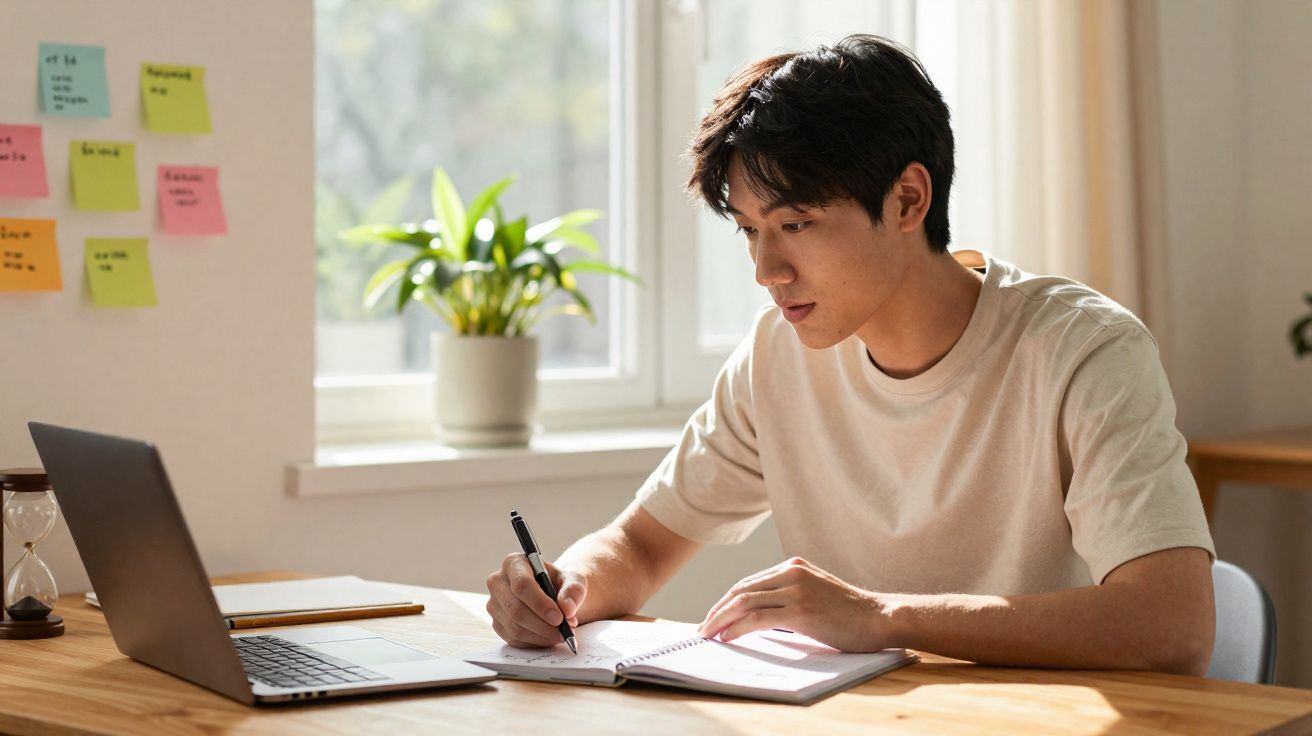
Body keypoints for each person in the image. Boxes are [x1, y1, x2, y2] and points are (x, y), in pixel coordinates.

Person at [485, 34, 1216, 675]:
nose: (766, 271)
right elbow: (641, 546)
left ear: (907, 200)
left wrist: (882, 617)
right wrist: (563, 588)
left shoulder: (1085, 351)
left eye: (796, 224)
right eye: (749, 230)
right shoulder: (777, 353)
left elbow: (1172, 626)